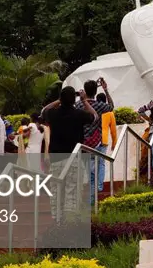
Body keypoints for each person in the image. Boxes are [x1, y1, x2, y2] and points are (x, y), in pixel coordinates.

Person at [42, 87, 97, 215]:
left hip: (56, 159)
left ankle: (57, 222)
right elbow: (94, 116)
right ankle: (70, 223)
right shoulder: (78, 114)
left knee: (56, 193)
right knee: (71, 194)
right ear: (74, 99)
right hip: (74, 159)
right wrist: (84, 101)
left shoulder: (53, 114)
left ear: (61, 98)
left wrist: (59, 100)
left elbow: (44, 110)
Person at [77, 79, 114, 204]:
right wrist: (105, 89)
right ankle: (91, 201)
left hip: (81, 142)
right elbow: (111, 107)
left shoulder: (79, 105)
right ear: (95, 91)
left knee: (83, 173)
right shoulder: (100, 105)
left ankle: (82, 201)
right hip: (96, 141)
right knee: (93, 173)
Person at [99, 93, 119, 161]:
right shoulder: (110, 113)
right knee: (101, 162)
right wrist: (114, 143)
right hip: (103, 140)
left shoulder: (93, 109)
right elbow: (113, 130)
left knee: (91, 162)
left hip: (93, 139)